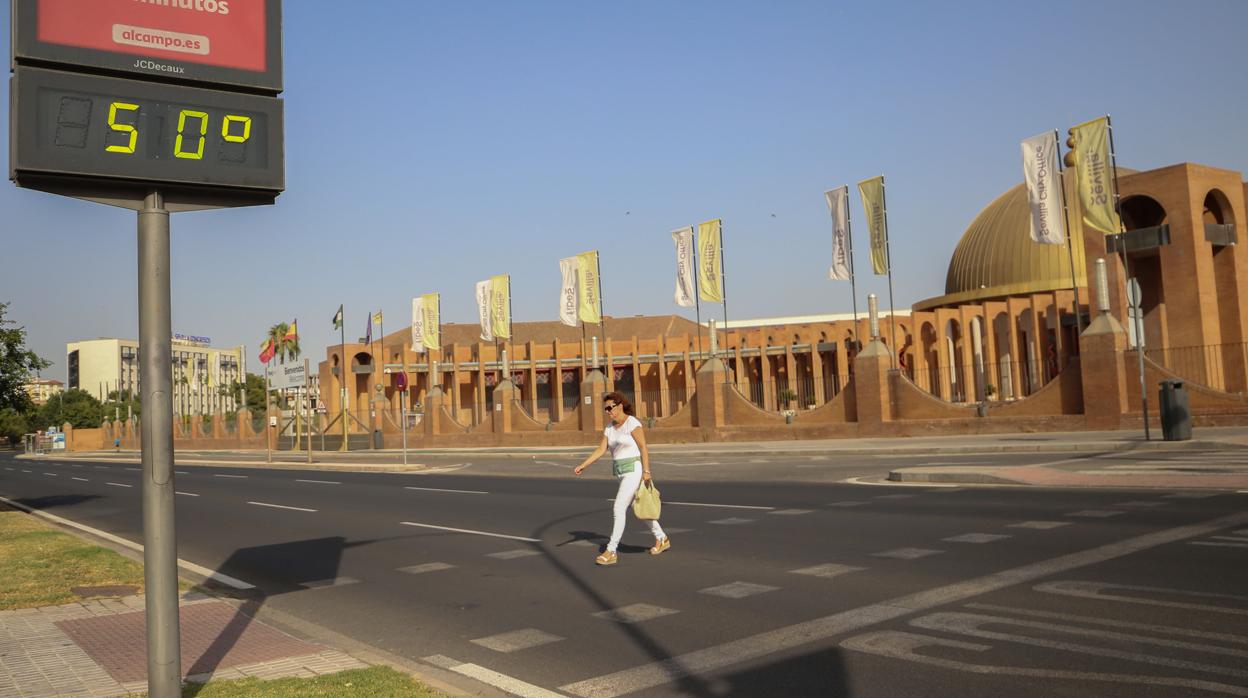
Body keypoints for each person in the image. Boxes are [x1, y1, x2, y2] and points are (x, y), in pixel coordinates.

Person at [574, 392, 670, 566]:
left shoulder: (632, 423)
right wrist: (583, 465)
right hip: (620, 471)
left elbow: (643, 447)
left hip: (634, 469)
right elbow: (601, 450)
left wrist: (647, 471)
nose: (608, 411)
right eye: (606, 409)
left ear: (619, 406)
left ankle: (611, 550)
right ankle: (662, 538)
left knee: (618, 507)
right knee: (638, 508)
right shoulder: (609, 428)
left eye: (610, 407)